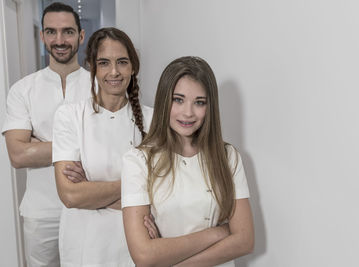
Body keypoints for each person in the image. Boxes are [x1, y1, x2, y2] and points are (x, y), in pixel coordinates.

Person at [121, 56, 254, 266]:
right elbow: (144, 255)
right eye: (178, 99)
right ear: (164, 101)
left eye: (199, 102)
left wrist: (168, 257)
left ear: (210, 107)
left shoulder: (227, 156)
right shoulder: (137, 161)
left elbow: (245, 241)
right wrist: (219, 232)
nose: (188, 113)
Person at [52, 27, 152, 267]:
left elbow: (162, 190)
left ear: (133, 67)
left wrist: (92, 189)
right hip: (86, 245)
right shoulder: (70, 116)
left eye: (122, 62)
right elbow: (70, 195)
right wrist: (135, 188)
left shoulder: (153, 120)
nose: (114, 72)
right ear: (92, 67)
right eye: (104, 63)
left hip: (138, 244)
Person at [2, 2, 90, 266]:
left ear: (80, 36)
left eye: (68, 32)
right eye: (51, 32)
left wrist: (39, 146)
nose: (59, 40)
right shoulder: (22, 90)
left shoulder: (99, 86)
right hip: (41, 212)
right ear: (42, 36)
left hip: (89, 205)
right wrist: (81, 144)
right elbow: (17, 155)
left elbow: (113, 144)